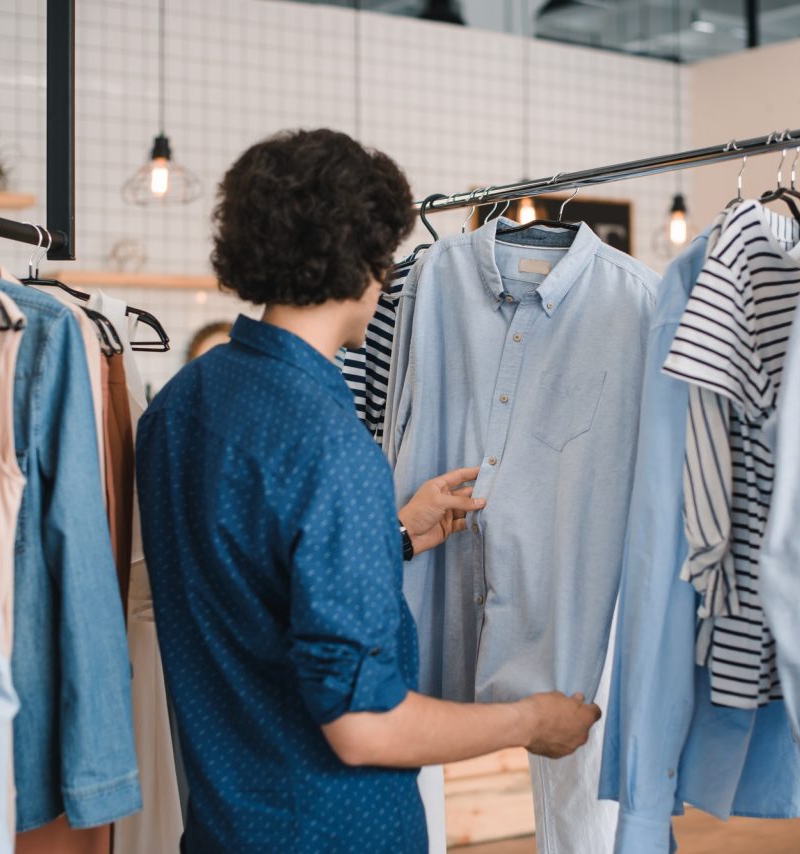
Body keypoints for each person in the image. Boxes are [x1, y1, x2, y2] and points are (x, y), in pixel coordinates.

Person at [135, 129, 600, 853]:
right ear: (364, 261)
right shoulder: (330, 442)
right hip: (335, 831)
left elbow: (249, 578)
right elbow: (365, 725)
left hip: (223, 826)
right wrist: (533, 721)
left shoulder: (181, 404)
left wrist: (397, 533)